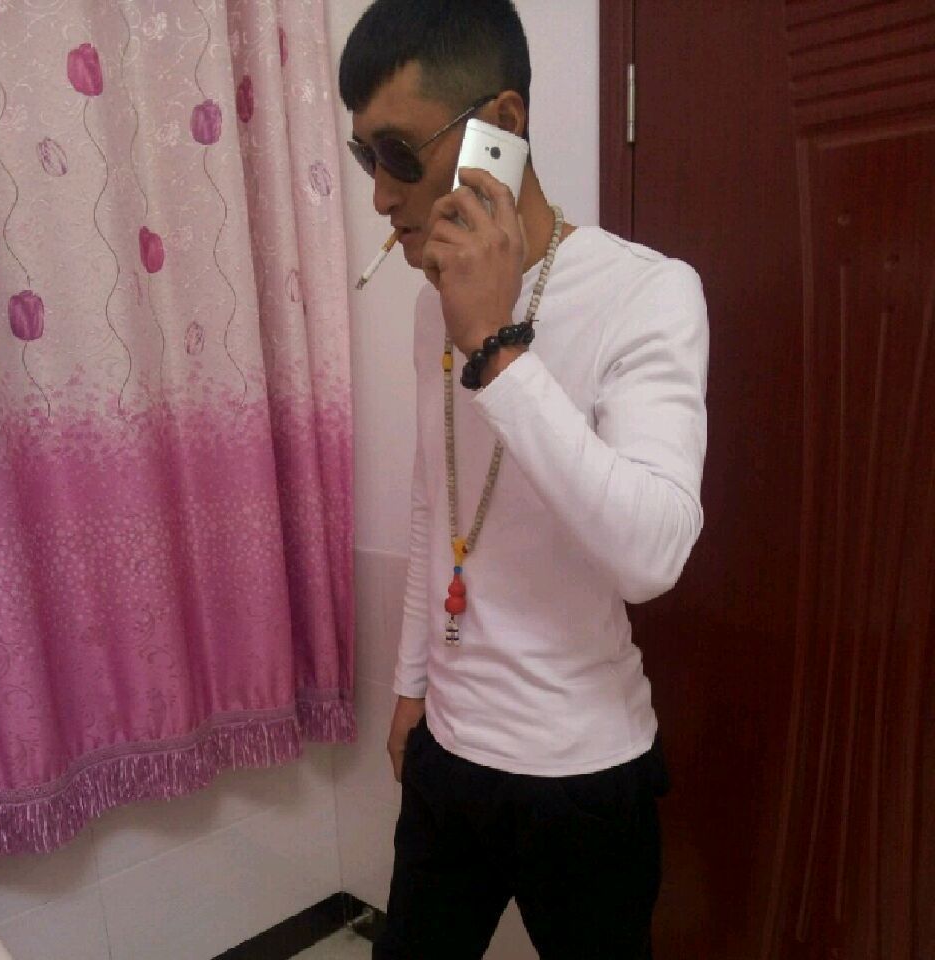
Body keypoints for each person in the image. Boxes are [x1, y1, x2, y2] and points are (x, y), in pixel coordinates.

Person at [338, 2, 708, 957]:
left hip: (587, 778)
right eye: (364, 155)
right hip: (448, 755)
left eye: (399, 153)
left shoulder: (649, 292)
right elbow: (435, 506)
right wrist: (410, 686)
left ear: (502, 126)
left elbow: (653, 556)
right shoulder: (432, 309)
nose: (380, 196)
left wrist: (498, 348)